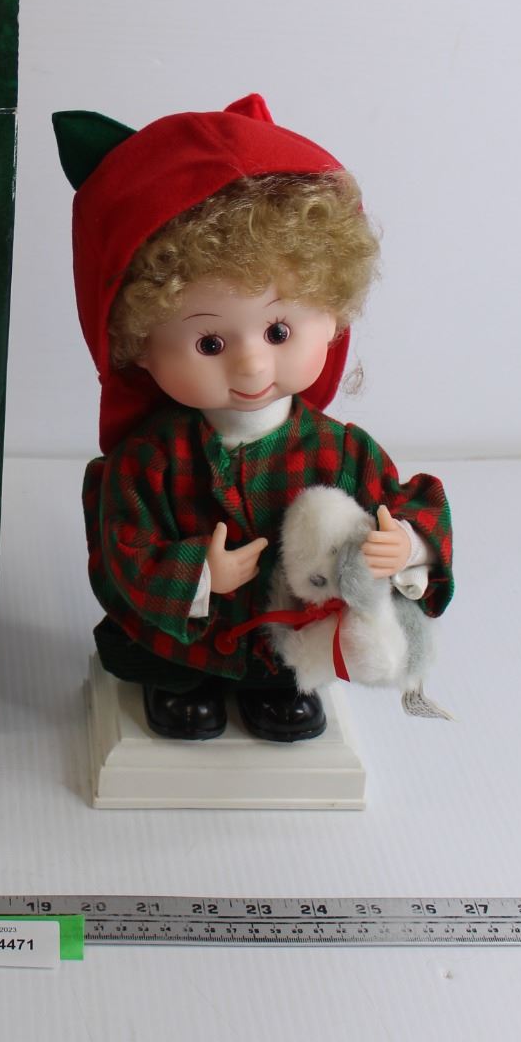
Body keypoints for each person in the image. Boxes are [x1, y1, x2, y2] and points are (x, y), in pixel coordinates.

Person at [53, 94, 453, 742]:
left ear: (332, 315)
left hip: (287, 636)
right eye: (209, 342)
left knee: (288, 666)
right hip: (182, 637)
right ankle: (180, 681)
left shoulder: (342, 454)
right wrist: (197, 574)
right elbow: (124, 547)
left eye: (278, 330)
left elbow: (407, 505)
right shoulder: (148, 461)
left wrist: (407, 545)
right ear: (138, 346)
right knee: (157, 655)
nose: (250, 365)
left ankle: (273, 687)